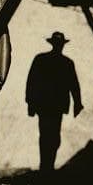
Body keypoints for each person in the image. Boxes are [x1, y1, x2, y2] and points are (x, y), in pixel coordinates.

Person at [26, 31, 83, 173]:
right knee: (50, 136)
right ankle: (47, 165)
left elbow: (73, 85)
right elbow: (32, 82)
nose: (59, 46)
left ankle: (46, 165)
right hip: (50, 107)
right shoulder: (63, 63)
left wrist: (77, 103)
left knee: (49, 136)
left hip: (49, 107)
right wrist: (30, 103)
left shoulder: (45, 60)